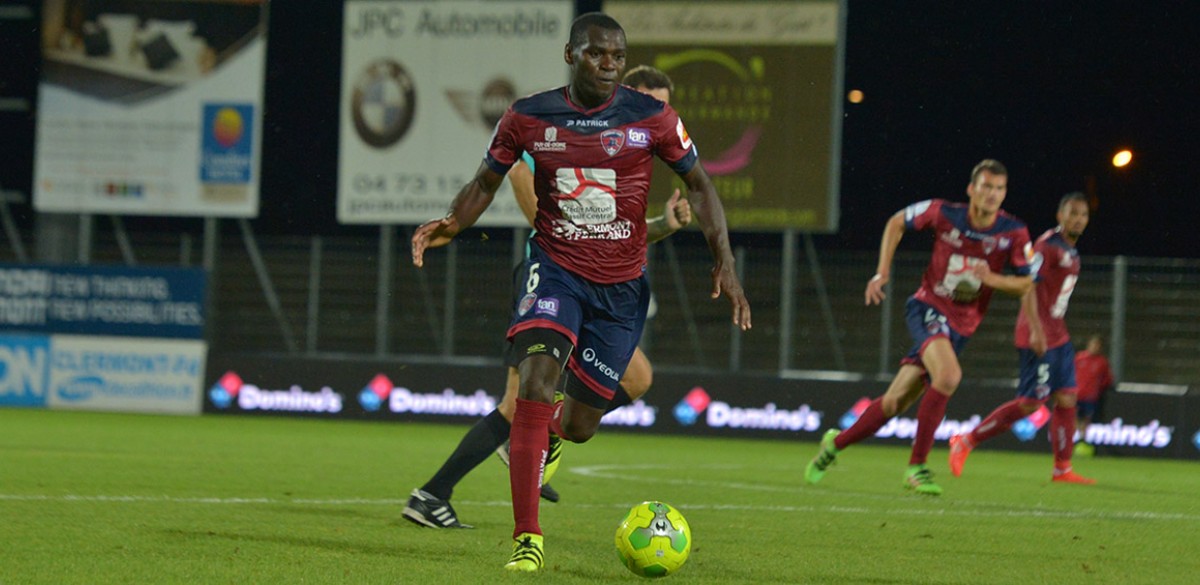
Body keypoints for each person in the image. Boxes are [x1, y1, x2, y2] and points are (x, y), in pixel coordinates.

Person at [410, 13, 751, 572]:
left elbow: (700, 184)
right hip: (556, 273)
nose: (608, 65)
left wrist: (725, 261)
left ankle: (547, 437)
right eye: (597, 54)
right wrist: (453, 222)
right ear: (571, 54)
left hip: (620, 290)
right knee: (534, 385)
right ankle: (527, 537)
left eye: (617, 56)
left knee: (578, 425)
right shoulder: (528, 116)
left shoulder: (653, 118)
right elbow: (485, 181)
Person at [401, 65, 689, 529]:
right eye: (648, 99)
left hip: (596, 287)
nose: (654, 111)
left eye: (662, 104)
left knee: (636, 378)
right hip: (552, 281)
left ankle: (529, 439)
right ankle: (436, 492)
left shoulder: (627, 154)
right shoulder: (561, 130)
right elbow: (527, 185)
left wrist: (663, 226)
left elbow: (614, 235)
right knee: (518, 404)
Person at [804, 159, 1033, 496]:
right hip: (928, 307)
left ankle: (833, 446)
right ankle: (917, 467)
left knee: (894, 402)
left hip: (962, 328)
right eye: (986, 186)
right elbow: (897, 221)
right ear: (971, 189)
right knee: (949, 376)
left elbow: (1027, 282)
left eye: (999, 189)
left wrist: (993, 279)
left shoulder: (1013, 232)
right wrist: (882, 271)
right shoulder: (943, 212)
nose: (992, 194)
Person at [947, 192, 1096, 484]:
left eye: (1083, 215)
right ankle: (967, 440)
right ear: (1060, 216)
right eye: (1073, 213)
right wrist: (1037, 330)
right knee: (1030, 403)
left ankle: (1062, 468)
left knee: (1067, 397)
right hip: (1038, 334)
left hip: (1059, 335)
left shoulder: (1070, 249)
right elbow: (1028, 286)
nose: (1078, 219)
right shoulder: (1047, 246)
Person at [1072, 334, 1115, 457]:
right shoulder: (1079, 358)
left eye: (1097, 345)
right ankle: (1078, 438)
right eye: (1093, 344)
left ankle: (1082, 439)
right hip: (1076, 395)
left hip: (1091, 397)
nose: (1095, 347)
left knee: (1087, 418)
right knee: (1074, 416)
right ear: (1088, 345)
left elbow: (1107, 380)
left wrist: (1099, 388)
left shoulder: (1102, 362)